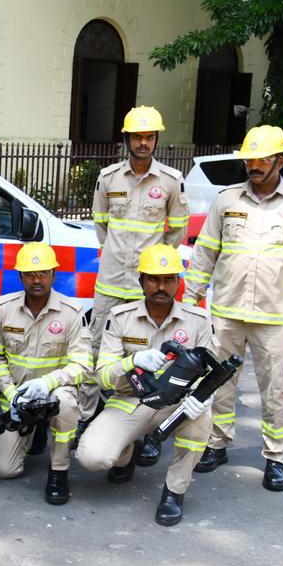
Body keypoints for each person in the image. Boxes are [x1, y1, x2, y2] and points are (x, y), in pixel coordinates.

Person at [184, 125, 283, 491]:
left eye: (263, 159)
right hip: (227, 312)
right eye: (249, 159)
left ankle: (276, 457)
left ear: (281, 160)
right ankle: (216, 444)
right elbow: (204, 256)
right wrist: (189, 305)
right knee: (218, 382)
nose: (254, 165)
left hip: (276, 318)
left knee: (277, 389)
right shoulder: (227, 200)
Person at [76, 244, 215, 526]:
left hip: (177, 403)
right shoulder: (120, 317)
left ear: (178, 281)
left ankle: (174, 492)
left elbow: (211, 371)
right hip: (131, 401)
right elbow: (102, 375)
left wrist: (204, 396)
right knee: (92, 458)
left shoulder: (197, 320)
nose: (161, 286)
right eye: (153, 279)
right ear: (141, 281)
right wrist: (133, 361)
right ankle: (126, 455)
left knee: (201, 418)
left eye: (168, 279)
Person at [86, 106, 189, 466]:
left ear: (156, 139)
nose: (143, 143)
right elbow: (102, 226)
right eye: (137, 137)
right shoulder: (108, 178)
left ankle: (148, 433)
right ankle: (100, 421)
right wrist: (117, 256)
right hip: (112, 281)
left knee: (156, 359)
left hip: (152, 286)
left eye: (149, 137)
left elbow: (175, 232)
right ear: (127, 139)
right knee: (101, 352)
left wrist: (155, 272)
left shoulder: (172, 181)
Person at [0, 243, 93, 505]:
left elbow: (83, 364)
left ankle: (59, 470)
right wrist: (11, 394)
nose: (37, 279)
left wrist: (49, 383)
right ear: (20, 276)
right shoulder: (3, 310)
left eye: (43, 273)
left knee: (66, 404)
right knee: (4, 470)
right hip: (18, 395)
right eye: (30, 274)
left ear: (54, 275)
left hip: (55, 392)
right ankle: (35, 428)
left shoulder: (72, 313)